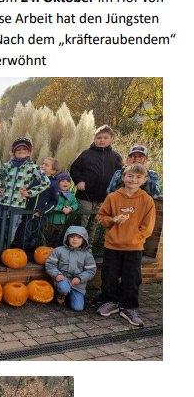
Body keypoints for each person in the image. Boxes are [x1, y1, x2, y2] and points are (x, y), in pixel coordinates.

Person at [97, 164, 156, 327]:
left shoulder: (147, 200)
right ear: (123, 177)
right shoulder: (113, 197)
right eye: (130, 176)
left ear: (144, 180)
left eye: (138, 177)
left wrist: (135, 237)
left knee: (132, 278)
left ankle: (128, 307)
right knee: (110, 275)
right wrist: (112, 220)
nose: (133, 180)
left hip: (134, 247)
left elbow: (148, 226)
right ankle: (111, 302)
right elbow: (101, 216)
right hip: (112, 245)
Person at [0, 137, 50, 254]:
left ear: (29, 152)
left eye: (24, 149)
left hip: (17, 206)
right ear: (13, 151)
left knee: (10, 231)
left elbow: (46, 182)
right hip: (2, 203)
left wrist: (29, 193)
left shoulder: (32, 167)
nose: (21, 151)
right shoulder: (8, 165)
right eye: (18, 149)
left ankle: (5, 253)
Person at [70, 123, 122, 239]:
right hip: (85, 195)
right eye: (99, 138)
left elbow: (119, 175)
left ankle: (88, 246)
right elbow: (74, 169)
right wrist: (79, 181)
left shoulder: (116, 157)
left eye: (105, 138)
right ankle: (76, 246)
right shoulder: (86, 154)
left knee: (94, 223)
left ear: (111, 139)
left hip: (103, 197)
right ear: (94, 139)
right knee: (82, 221)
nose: (102, 140)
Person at [45, 224, 97, 312]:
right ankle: (62, 294)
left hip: (78, 284)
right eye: (72, 237)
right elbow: (50, 265)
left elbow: (91, 271)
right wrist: (57, 274)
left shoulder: (87, 255)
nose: (75, 239)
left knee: (78, 308)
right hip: (63, 280)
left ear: (83, 239)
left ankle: (72, 295)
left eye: (79, 237)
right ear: (67, 238)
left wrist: (80, 278)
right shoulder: (58, 250)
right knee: (63, 288)